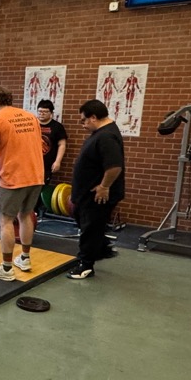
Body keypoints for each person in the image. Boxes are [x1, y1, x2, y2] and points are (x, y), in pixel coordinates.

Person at [0, 87, 44, 281]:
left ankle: (6, 268)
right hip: (36, 175)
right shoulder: (31, 117)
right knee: (25, 216)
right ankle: (25, 258)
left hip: (13, 179)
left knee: (6, 221)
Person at [69, 99, 126, 280]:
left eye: (83, 120)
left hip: (97, 194)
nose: (83, 125)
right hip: (87, 193)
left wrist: (104, 186)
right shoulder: (101, 133)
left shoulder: (106, 136)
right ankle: (101, 248)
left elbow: (115, 167)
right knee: (84, 221)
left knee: (90, 228)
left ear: (93, 117)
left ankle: (85, 266)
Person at [35, 99, 67, 216]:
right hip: (31, 163)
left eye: (45, 112)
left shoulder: (57, 127)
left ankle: (37, 211)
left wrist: (58, 161)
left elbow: (62, 144)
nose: (41, 114)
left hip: (47, 164)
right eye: (40, 111)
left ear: (51, 113)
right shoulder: (32, 124)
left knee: (41, 187)